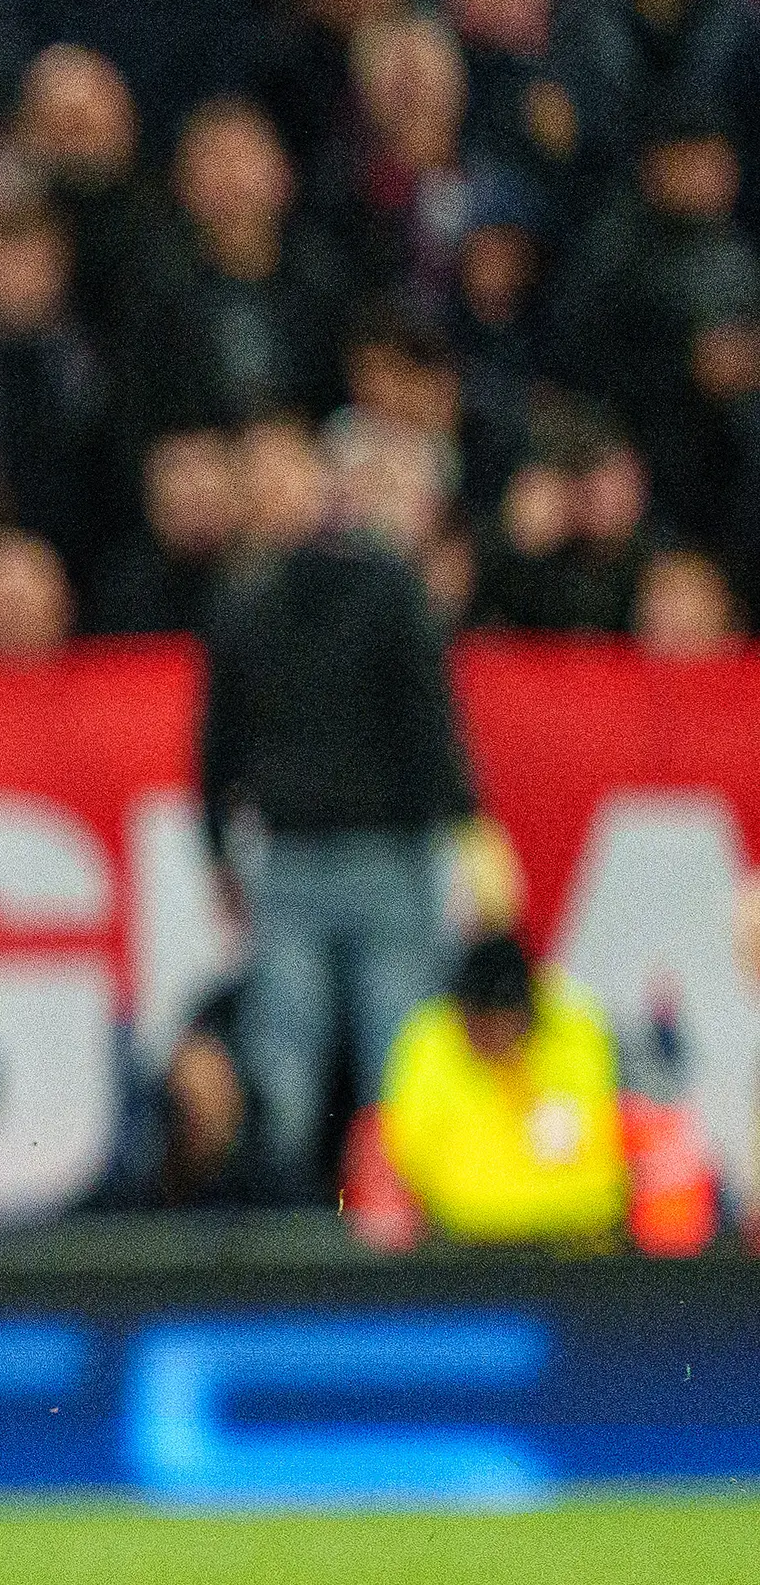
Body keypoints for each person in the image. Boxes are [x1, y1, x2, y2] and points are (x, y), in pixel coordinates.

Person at [200, 414, 479, 1195]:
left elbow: (216, 748)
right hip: (387, 852)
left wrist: (217, 846)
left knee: (284, 1072)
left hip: (292, 852)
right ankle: (392, 1240)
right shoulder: (393, 589)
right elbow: (430, 722)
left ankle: (284, 1242)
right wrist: (463, 827)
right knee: (396, 1070)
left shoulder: (247, 599)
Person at [373, 931, 626, 1248]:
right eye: (480, 1025)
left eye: (501, 1024)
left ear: (529, 1013)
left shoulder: (576, 1029)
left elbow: (601, 1138)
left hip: (574, 1238)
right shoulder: (429, 1039)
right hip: (465, 1242)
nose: (491, 1037)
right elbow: (409, 1150)